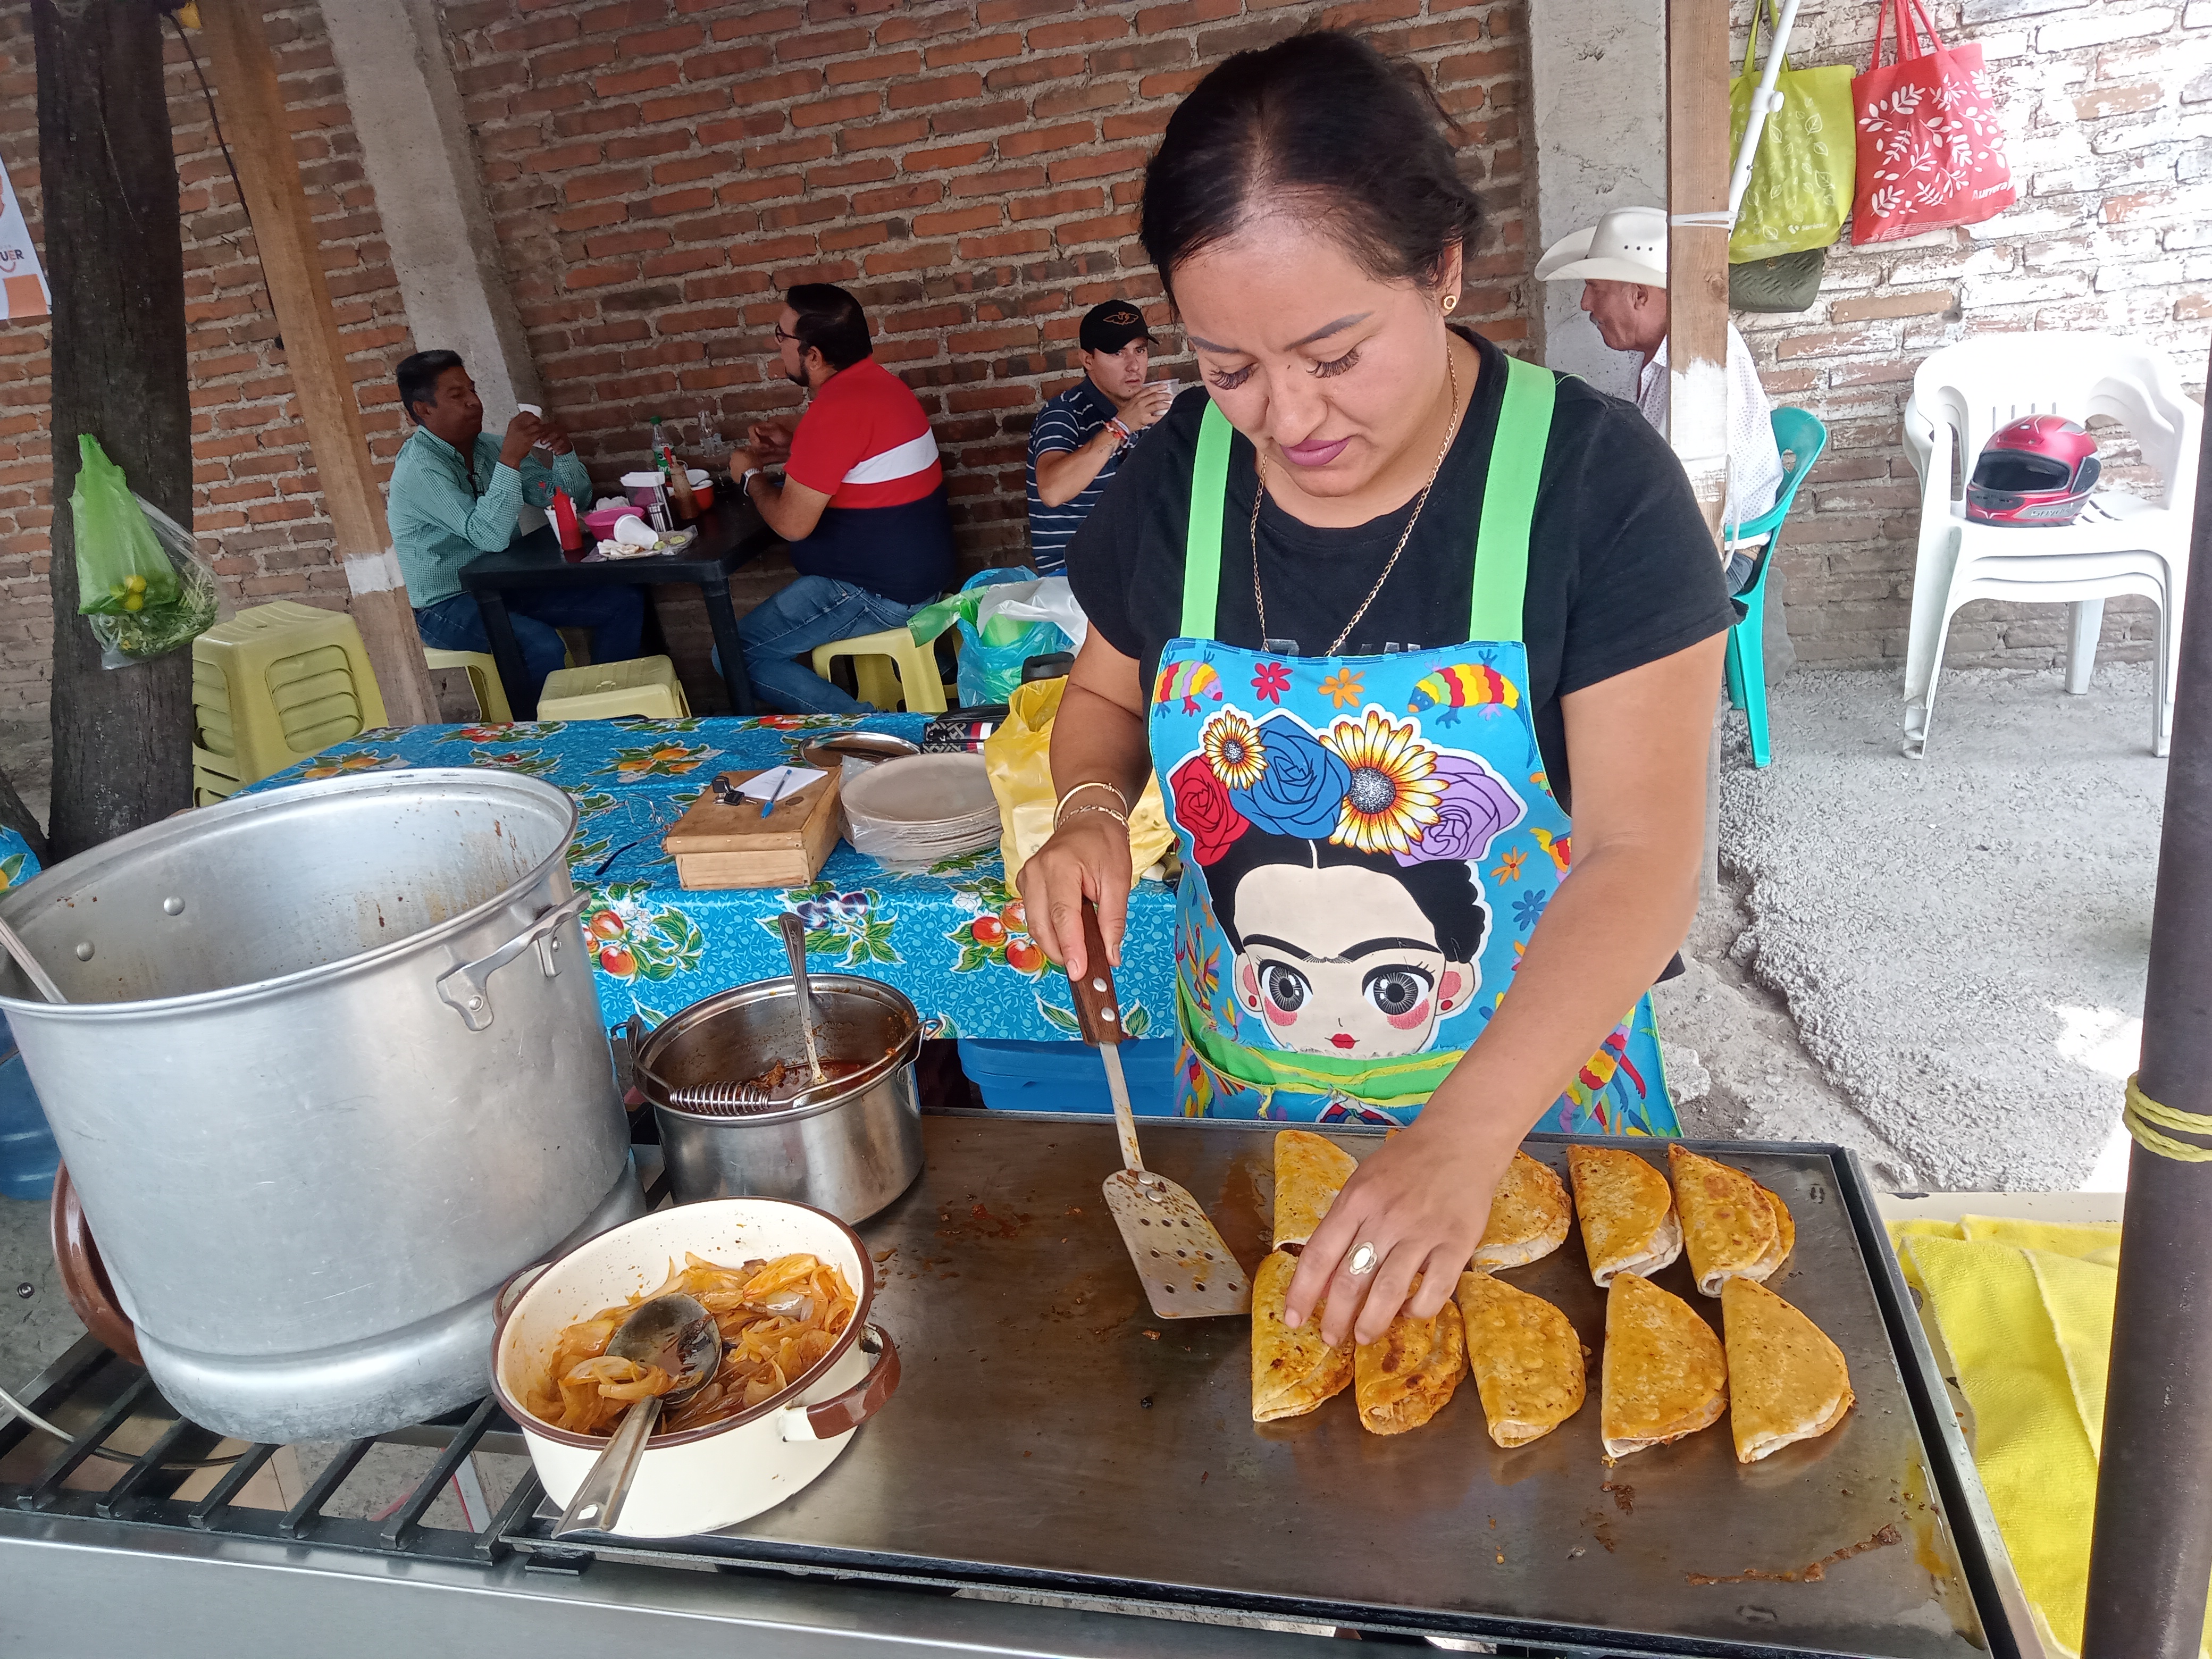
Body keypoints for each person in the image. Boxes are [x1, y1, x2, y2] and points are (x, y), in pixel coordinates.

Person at [1018, 33, 1735, 1350]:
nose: (1286, 414)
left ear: (1442, 268)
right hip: (1245, 1107)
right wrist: (1082, 813)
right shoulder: (1183, 477)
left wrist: (1460, 1139)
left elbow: (1642, 855)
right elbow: (1108, 700)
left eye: (1334, 354)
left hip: (1531, 1122)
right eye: (1228, 367)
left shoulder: (1596, 488)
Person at [725, 284, 956, 714]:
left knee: (734, 654)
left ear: (813, 356)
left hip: (876, 591)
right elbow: (862, 464)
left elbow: (792, 524)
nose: (776, 345)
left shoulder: (835, 411)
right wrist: (796, 448)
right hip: (917, 577)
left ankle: (871, 729)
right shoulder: (882, 387)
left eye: (781, 336)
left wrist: (750, 476)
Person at [1537, 205, 1787, 591]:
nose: (1586, 304)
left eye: (1596, 289)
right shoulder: (1671, 355)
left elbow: (1675, 510)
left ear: (1639, 296)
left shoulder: (1698, 369)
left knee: (1566, 591)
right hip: (1696, 539)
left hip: (1720, 558)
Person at [390, 349, 642, 700]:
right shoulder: (419, 468)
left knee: (622, 602)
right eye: (457, 395)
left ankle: (610, 710)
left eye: (472, 390)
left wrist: (563, 453)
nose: (474, 403)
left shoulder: (487, 448)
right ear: (423, 409)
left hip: (502, 585)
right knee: (539, 645)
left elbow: (568, 500)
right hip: (446, 604)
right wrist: (511, 458)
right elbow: (488, 536)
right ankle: (543, 742)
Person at [1026, 301, 1177, 574]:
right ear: (1088, 360)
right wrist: (1120, 426)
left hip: (1138, 571)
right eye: (1117, 353)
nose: (1134, 366)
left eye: (1139, 350)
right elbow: (1051, 491)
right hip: (1075, 582)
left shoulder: (1145, 410)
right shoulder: (1064, 413)